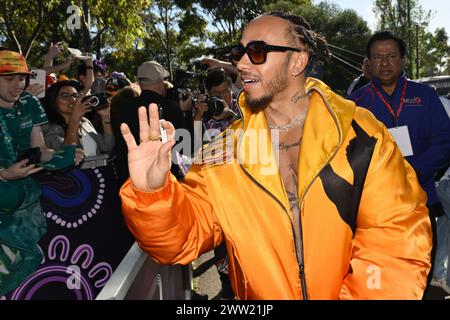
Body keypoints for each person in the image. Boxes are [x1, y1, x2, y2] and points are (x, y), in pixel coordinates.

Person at [119, 12, 432, 300]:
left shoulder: (361, 133)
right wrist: (152, 195)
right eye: (238, 53)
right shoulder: (223, 153)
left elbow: (394, 241)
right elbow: (184, 238)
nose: (241, 65)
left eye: (257, 51)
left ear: (297, 62)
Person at [348, 31, 450, 292]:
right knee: (380, 280)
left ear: (402, 59)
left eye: (391, 56)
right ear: (368, 63)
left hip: (422, 200)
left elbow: (444, 142)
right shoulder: (356, 103)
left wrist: (411, 170)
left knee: (421, 275)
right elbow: (348, 151)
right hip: (375, 210)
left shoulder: (425, 95)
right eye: (378, 57)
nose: (385, 63)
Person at [0, 50, 79, 295]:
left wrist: (64, 155)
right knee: (31, 254)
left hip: (24, 195)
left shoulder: (30, 103)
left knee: (32, 255)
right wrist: (3, 175)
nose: (18, 85)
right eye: (9, 78)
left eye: (21, 78)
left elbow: (40, 150)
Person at [111, 60, 186, 185]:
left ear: (140, 83)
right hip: (165, 179)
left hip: (130, 180)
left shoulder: (123, 108)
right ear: (161, 83)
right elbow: (183, 146)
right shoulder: (172, 107)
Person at [41, 80, 114, 157]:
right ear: (53, 100)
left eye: (75, 96)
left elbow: (107, 147)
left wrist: (105, 117)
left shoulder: (84, 122)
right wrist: (75, 119)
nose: (73, 100)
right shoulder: (48, 127)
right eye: (65, 96)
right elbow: (67, 153)